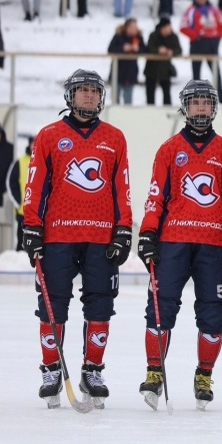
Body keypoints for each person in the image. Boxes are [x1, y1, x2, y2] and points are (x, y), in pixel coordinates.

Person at [22, 69, 132, 409]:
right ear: (70, 96)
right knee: (52, 304)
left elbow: (122, 188)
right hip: (58, 235)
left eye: (94, 91)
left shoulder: (114, 137)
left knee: (101, 303)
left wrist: (124, 228)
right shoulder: (50, 135)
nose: (89, 95)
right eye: (82, 90)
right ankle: (52, 370)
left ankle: (92, 370)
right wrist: (31, 226)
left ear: (101, 97)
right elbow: (36, 184)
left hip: (101, 237)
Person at [135, 80, 222, 410]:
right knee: (160, 308)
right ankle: (154, 372)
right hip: (173, 242)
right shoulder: (169, 149)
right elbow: (155, 195)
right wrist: (147, 233)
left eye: (206, 102)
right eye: (195, 102)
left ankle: (204, 375)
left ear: (214, 108)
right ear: (185, 107)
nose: (201, 108)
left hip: (213, 244)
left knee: (213, 314)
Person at [180, 0, 222, 105]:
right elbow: (183, 27)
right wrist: (195, 36)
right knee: (196, 73)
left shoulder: (214, 10)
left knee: (216, 71)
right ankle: (195, 98)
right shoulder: (191, 10)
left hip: (212, 43)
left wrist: (218, 37)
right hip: (197, 43)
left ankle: (221, 96)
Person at [144, 17, 181, 106]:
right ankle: (149, 110)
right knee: (150, 94)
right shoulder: (153, 35)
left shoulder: (173, 37)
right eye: (167, 27)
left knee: (167, 95)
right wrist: (158, 50)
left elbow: (179, 50)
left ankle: (166, 110)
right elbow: (149, 48)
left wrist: (172, 52)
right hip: (151, 69)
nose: (169, 29)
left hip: (166, 69)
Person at [106, 18, 144, 104]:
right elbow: (110, 49)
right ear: (127, 27)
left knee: (128, 101)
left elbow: (145, 49)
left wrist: (138, 49)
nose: (136, 29)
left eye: (136, 27)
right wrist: (122, 48)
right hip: (117, 72)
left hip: (130, 73)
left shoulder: (138, 38)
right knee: (115, 100)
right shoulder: (118, 36)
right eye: (134, 27)